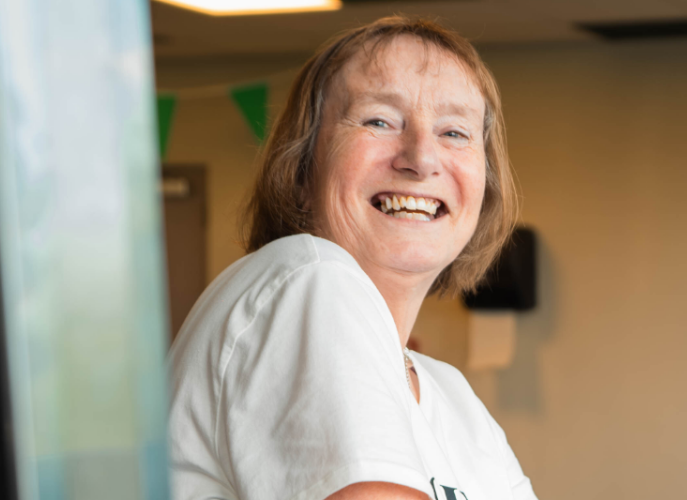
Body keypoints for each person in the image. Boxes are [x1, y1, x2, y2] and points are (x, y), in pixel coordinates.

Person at [167, 17, 534, 500]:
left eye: (455, 132)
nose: (421, 158)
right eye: (379, 120)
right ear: (301, 171)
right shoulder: (311, 279)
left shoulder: (455, 399)